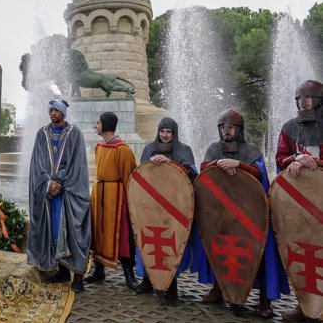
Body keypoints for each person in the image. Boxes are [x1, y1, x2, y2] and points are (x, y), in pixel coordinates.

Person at [198, 109, 289, 318]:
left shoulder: (251, 150)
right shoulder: (214, 149)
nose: (225, 131)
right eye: (222, 127)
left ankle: (264, 300)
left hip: (250, 214)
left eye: (230, 127)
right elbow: (204, 171)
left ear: (238, 129)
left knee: (260, 253)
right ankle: (220, 289)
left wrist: (239, 165)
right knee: (221, 250)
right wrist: (217, 164)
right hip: (222, 214)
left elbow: (260, 174)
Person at [27, 99, 91, 293]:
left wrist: (60, 182)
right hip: (48, 194)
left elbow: (78, 164)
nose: (53, 113)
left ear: (64, 112)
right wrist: (48, 183)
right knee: (54, 232)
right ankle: (62, 271)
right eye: (51, 110)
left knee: (74, 232)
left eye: (57, 110)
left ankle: (78, 276)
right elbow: (37, 164)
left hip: (69, 193)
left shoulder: (74, 134)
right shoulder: (42, 134)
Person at [275, 80, 323, 321]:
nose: (303, 102)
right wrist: (294, 158)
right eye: (299, 98)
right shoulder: (290, 127)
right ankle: (305, 305)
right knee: (304, 251)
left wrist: (313, 163)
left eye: (308, 98)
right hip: (300, 202)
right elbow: (280, 157)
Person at [134, 117, 197, 302]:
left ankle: (171, 287)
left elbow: (192, 175)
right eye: (162, 131)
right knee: (148, 242)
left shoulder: (184, 150)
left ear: (174, 133)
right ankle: (146, 280)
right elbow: (140, 177)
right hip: (150, 206)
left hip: (174, 206)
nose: (165, 135)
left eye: (169, 132)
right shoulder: (148, 149)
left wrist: (171, 164)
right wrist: (150, 164)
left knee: (171, 245)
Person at [87, 111, 138, 289]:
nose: (96, 125)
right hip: (100, 194)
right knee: (98, 232)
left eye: (99, 123)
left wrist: (129, 204)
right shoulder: (99, 146)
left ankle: (129, 274)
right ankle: (98, 270)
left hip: (117, 198)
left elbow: (129, 177)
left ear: (106, 126)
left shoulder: (122, 150)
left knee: (122, 235)